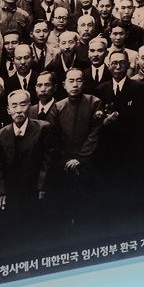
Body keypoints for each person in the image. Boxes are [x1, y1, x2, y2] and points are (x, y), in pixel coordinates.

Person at [52, 69, 103, 223]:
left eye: (78, 80)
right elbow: (55, 137)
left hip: (88, 163)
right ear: (64, 85)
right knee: (67, 207)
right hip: (65, 164)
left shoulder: (94, 102)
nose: (75, 85)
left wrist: (81, 158)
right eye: (71, 81)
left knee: (88, 209)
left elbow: (95, 133)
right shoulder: (58, 107)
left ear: (83, 83)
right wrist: (67, 159)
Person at [0, 89, 53, 223]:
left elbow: (47, 161)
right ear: (8, 110)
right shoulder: (1, 135)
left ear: (30, 107)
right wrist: (2, 192)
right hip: (12, 193)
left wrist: (41, 186)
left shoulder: (43, 129)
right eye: (14, 106)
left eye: (23, 104)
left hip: (35, 191)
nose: (19, 110)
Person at [96, 50, 144, 184]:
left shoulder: (140, 88)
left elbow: (143, 120)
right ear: (109, 65)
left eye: (122, 63)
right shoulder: (101, 90)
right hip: (108, 150)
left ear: (128, 65)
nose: (118, 67)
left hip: (131, 149)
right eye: (114, 63)